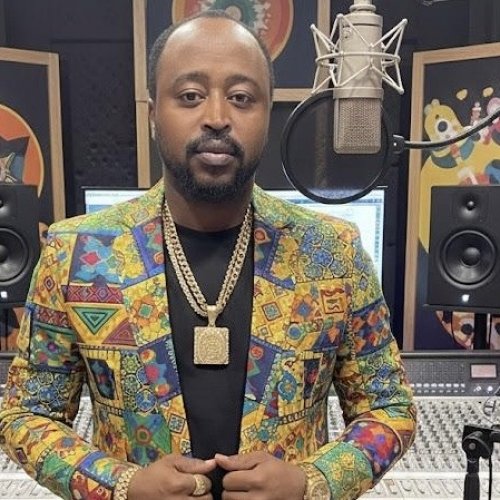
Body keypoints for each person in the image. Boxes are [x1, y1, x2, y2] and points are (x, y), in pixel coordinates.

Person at [0, 10, 416, 500]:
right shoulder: (77, 253)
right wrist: (122, 486)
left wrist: (312, 482)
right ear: (153, 113)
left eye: (241, 98)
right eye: (190, 96)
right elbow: (27, 416)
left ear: (267, 114)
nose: (217, 117)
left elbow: (389, 408)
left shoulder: (333, 253)